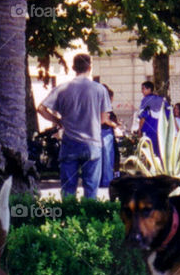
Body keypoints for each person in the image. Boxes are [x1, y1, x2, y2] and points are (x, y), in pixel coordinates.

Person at [37, 53, 112, 199]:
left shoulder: (62, 88)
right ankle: (89, 211)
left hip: (70, 143)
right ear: (89, 67)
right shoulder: (100, 89)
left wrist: (59, 121)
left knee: (68, 190)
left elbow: (41, 108)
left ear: (73, 68)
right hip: (92, 143)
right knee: (91, 190)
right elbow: (104, 118)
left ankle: (68, 212)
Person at [137, 81, 170, 156]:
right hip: (161, 130)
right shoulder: (162, 99)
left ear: (149, 89)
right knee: (160, 152)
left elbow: (143, 117)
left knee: (149, 153)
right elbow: (168, 115)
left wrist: (139, 129)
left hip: (149, 130)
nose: (142, 91)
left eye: (143, 89)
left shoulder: (145, 100)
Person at [99, 84, 122, 188]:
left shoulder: (96, 102)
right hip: (105, 131)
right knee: (108, 158)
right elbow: (105, 120)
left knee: (100, 158)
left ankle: (100, 180)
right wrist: (115, 125)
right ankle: (107, 181)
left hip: (97, 131)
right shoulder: (105, 103)